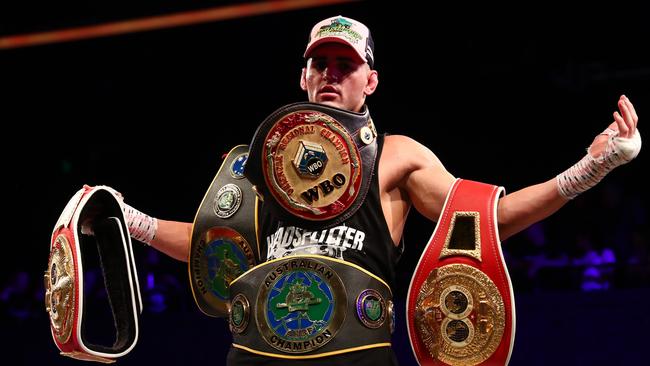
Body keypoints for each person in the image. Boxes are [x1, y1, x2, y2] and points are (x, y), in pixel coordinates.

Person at [111, 15, 640, 366]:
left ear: (372, 81)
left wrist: (590, 168)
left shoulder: (398, 154)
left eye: (346, 65)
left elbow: (488, 219)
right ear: (302, 77)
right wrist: (125, 217)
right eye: (320, 64)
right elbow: (214, 251)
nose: (330, 74)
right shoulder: (260, 163)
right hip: (255, 357)